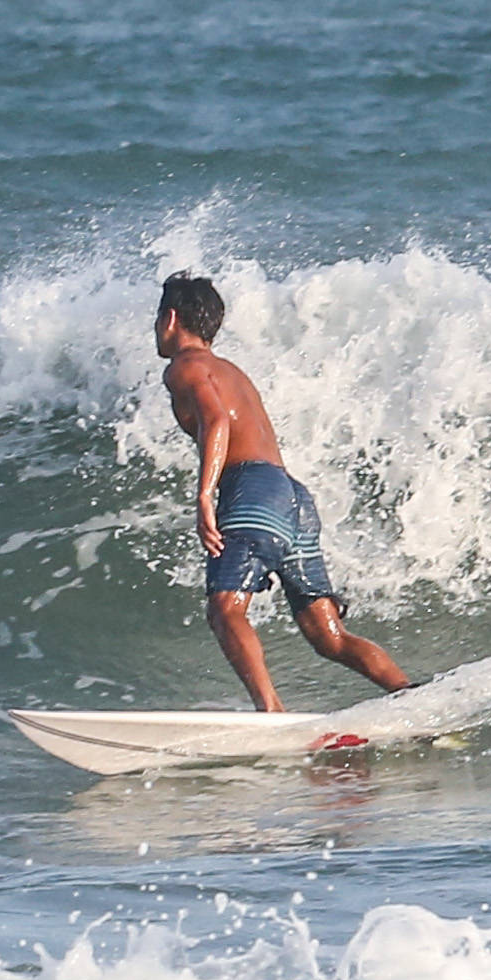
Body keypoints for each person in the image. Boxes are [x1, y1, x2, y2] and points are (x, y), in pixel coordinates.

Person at [152, 272, 413, 709]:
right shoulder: (231, 371)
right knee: (329, 637)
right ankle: (409, 697)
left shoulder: (184, 366)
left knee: (225, 609)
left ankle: (270, 711)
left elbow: (216, 421)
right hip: (292, 500)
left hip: (252, 491)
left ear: (171, 318)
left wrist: (204, 496)